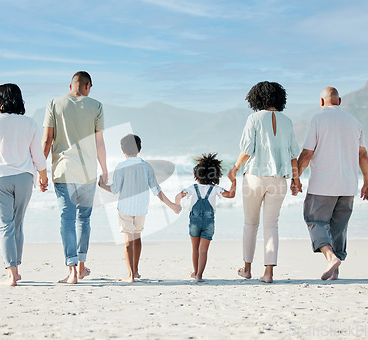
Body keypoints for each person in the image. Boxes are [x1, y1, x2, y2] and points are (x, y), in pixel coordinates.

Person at [0, 83, 48, 286]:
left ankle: (12, 274)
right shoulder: (30, 123)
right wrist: (43, 176)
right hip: (24, 178)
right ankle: (16, 269)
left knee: (4, 225)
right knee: (17, 225)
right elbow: (38, 156)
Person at [296, 87, 368, 280]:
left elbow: (307, 154)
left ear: (321, 102)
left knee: (315, 220)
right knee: (338, 227)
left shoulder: (317, 119)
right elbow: (362, 155)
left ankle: (330, 258)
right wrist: (367, 183)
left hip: (323, 184)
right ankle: (335, 270)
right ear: (340, 101)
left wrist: (295, 177)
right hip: (348, 186)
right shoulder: (354, 122)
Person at [227, 81, 300, 283]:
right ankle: (268, 273)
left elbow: (248, 149)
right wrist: (296, 180)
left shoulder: (254, 119)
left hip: (255, 178)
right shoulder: (288, 121)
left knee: (250, 223)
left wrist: (234, 169)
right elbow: (294, 154)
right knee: (272, 225)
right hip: (279, 180)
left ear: (256, 98)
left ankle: (247, 268)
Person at [42, 71, 108, 284]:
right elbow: (99, 142)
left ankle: (71, 271)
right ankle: (81, 266)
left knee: (67, 219)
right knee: (84, 219)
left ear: (71, 85)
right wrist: (104, 170)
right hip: (88, 171)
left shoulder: (54, 103)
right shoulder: (96, 106)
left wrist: (39, 169)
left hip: (63, 170)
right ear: (88, 85)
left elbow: (47, 140)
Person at [98, 134, 181, 282]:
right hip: (141, 208)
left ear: (122, 150)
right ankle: (136, 271)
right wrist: (172, 205)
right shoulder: (146, 166)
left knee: (127, 241)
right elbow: (157, 190)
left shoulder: (121, 167)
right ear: (140, 148)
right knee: (137, 238)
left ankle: (130, 275)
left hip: (125, 208)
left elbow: (115, 189)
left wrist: (102, 185)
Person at [176, 153, 236, 282]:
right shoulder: (215, 189)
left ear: (197, 175)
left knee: (195, 249)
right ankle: (199, 275)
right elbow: (231, 195)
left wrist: (177, 206)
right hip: (209, 222)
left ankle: (195, 271)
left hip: (194, 221)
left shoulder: (193, 188)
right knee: (203, 250)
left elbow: (178, 196)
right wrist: (234, 181)